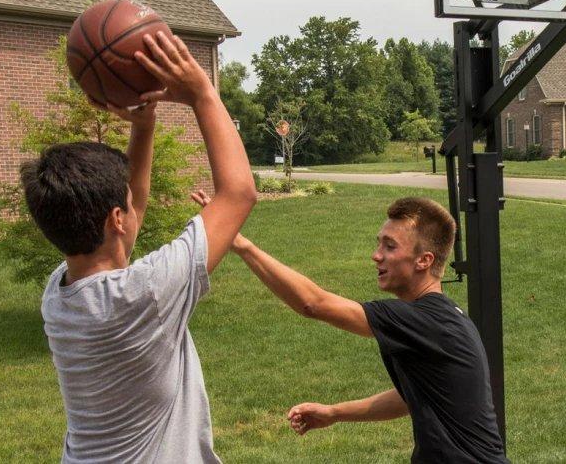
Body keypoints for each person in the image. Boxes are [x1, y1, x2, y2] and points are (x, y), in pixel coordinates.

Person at [24, 32, 256, 463]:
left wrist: (143, 124)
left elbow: (127, 219)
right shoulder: (145, 294)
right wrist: (203, 92)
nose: (135, 206)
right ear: (115, 218)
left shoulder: (59, 295)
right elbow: (239, 194)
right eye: (127, 205)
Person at [191, 190, 507, 463]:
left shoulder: (425, 320)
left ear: (423, 260)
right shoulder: (438, 319)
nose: (376, 255)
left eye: (390, 247)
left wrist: (243, 246)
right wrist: (335, 412)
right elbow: (413, 396)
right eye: (379, 244)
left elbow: (312, 303)